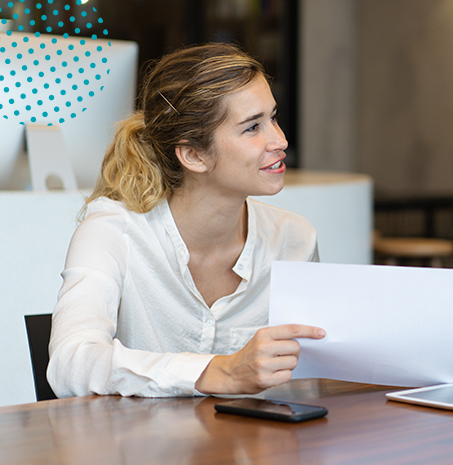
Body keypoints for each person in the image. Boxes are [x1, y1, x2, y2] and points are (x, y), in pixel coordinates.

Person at [47, 43, 326, 398]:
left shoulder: (296, 239)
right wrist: (214, 371)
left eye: (273, 117)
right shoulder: (113, 232)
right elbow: (70, 363)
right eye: (253, 127)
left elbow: (312, 379)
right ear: (194, 155)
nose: (280, 140)